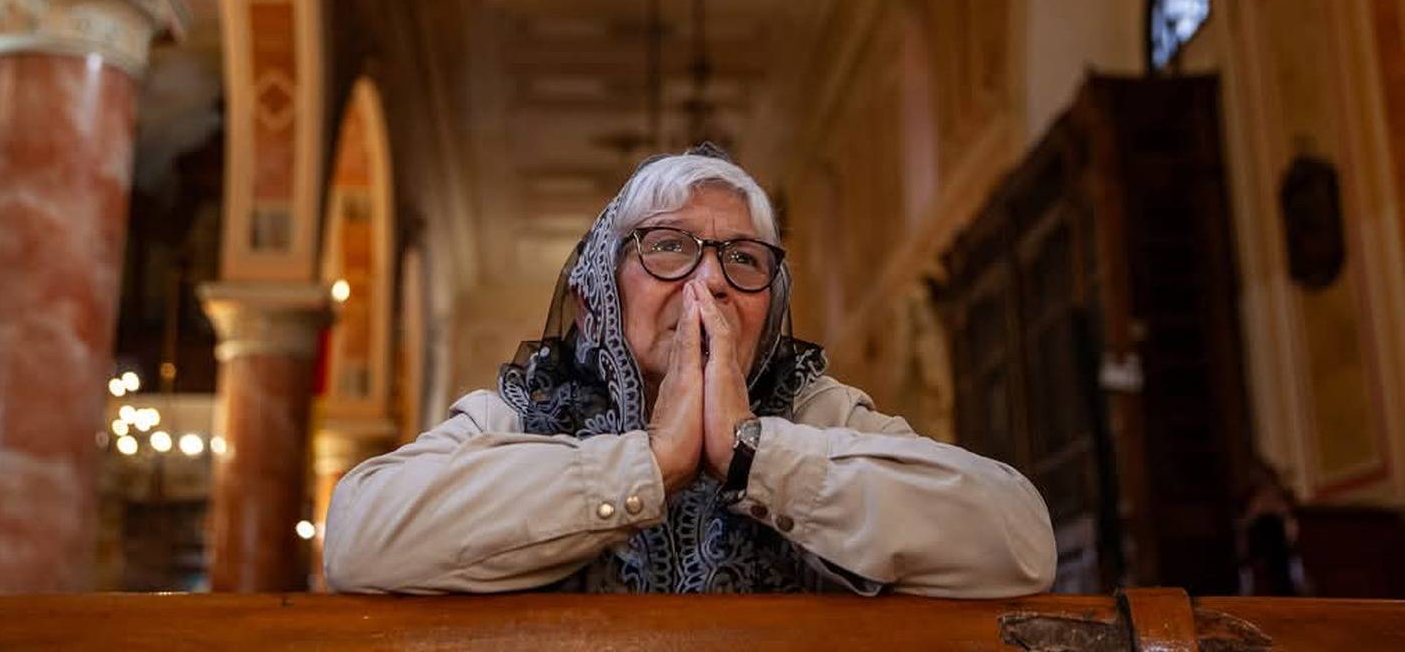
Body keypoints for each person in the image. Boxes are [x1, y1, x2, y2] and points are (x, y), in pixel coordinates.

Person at [323, 145, 1056, 594]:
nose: (707, 286)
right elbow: (359, 537)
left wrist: (753, 455)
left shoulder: (811, 410)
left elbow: (1019, 545)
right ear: (597, 296)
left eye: (742, 260)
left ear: (770, 302)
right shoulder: (523, 408)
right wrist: (651, 464)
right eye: (668, 248)